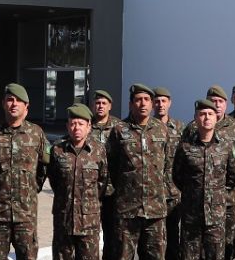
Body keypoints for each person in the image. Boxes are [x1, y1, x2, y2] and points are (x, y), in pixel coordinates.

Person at [0, 84, 50, 260]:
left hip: (25, 215)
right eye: (10, 100)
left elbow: (44, 167)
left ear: (27, 106)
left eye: (19, 101)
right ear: (3, 104)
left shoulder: (36, 134)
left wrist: (31, 188)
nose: (14, 104)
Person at [109, 83, 178, 260]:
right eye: (138, 100)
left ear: (152, 103)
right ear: (131, 104)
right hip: (127, 209)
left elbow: (169, 167)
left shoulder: (162, 130)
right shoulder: (119, 130)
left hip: (155, 210)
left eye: (147, 99)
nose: (143, 103)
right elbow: (111, 167)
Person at [181, 85, 235, 260]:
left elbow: (234, 171)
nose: (216, 105)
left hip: (224, 202)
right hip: (194, 205)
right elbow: (179, 173)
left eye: (220, 101)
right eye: (213, 101)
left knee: (225, 246)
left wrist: (218, 191)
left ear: (225, 104)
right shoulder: (192, 129)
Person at [49, 103, 111, 260]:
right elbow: (54, 181)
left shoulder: (98, 151)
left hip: (89, 223)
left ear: (89, 126)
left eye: (81, 124)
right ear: (68, 126)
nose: (77, 127)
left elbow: (102, 183)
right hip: (64, 221)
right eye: (73, 123)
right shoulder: (57, 150)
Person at [89, 89, 122, 260]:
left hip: (113, 191)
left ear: (110, 106)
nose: (100, 106)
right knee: (90, 235)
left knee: (113, 235)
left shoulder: (119, 127)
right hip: (91, 190)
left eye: (104, 103)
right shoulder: (87, 126)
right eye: (97, 103)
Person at [153, 86, 184, 260]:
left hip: (173, 193)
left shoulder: (179, 127)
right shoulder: (147, 128)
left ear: (169, 103)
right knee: (154, 240)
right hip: (152, 194)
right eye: (156, 101)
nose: (160, 105)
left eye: (163, 101)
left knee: (173, 236)